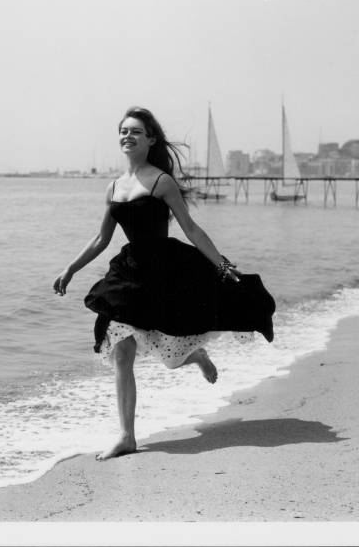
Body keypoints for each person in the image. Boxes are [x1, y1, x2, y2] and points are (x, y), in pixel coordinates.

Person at [53, 106, 275, 460]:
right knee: (122, 352)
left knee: (168, 356)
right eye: (124, 131)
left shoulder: (161, 181)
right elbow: (100, 239)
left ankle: (196, 355)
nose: (128, 136)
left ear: (150, 140)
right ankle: (127, 436)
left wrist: (222, 266)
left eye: (136, 131)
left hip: (164, 273)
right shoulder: (113, 187)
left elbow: (191, 229)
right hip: (128, 274)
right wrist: (71, 269)